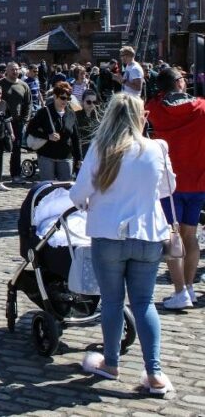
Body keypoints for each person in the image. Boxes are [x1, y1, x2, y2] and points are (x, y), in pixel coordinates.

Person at [70, 94, 176, 396]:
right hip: (147, 235)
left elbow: (78, 193)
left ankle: (111, 362)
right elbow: (169, 187)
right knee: (144, 303)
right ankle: (154, 372)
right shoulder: (156, 148)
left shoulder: (101, 148)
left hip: (108, 234)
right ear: (140, 117)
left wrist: (89, 204)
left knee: (113, 301)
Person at [146, 67, 205, 310]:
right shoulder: (201, 108)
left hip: (169, 184)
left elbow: (149, 105)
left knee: (171, 237)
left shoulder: (156, 109)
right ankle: (189, 288)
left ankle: (180, 290)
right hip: (198, 181)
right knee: (190, 236)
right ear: (180, 83)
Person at [26, 80, 81, 181]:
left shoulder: (71, 114)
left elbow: (75, 138)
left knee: (65, 187)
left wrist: (79, 158)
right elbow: (30, 129)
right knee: (48, 187)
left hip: (65, 156)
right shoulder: (44, 112)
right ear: (55, 97)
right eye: (62, 98)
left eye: (68, 98)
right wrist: (48, 136)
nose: (65, 101)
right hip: (47, 155)